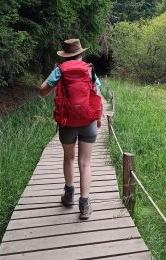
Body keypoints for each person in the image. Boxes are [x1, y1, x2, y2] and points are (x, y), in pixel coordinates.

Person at [40, 39, 101, 220]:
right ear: (81, 54)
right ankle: (84, 205)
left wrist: (54, 74)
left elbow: (42, 90)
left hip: (67, 123)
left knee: (69, 158)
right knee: (85, 163)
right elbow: (96, 93)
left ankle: (68, 196)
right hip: (88, 122)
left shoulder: (60, 70)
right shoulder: (89, 70)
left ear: (66, 55)